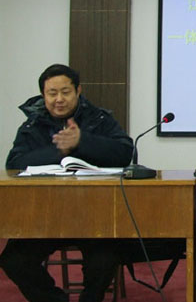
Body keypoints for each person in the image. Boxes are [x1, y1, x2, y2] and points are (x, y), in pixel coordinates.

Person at [0, 64, 134, 302]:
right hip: (44, 217)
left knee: (105, 258)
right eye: (52, 93)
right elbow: (14, 164)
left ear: (78, 91)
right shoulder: (32, 125)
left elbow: (125, 152)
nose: (59, 99)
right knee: (14, 260)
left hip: (95, 216)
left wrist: (82, 141)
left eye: (65, 92)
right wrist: (60, 151)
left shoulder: (99, 119)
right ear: (43, 95)